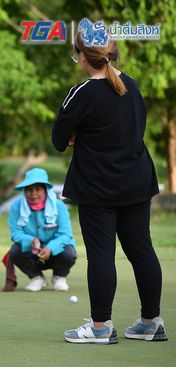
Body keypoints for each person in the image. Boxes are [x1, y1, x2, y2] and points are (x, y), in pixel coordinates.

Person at [52, 32, 167, 344]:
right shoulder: (132, 84)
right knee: (141, 249)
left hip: (98, 185)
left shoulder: (81, 92)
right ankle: (150, 322)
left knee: (102, 254)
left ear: (83, 56)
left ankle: (100, 327)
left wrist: (77, 132)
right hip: (136, 180)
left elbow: (58, 141)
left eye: (75, 53)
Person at [7, 168, 77, 292]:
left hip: (56, 253)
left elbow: (65, 235)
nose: (33, 193)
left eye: (37, 189)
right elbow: (15, 233)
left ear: (45, 189)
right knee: (14, 251)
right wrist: (31, 241)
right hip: (32, 252)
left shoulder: (59, 206)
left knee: (69, 253)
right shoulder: (16, 207)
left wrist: (50, 248)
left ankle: (59, 277)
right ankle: (37, 278)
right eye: (29, 189)